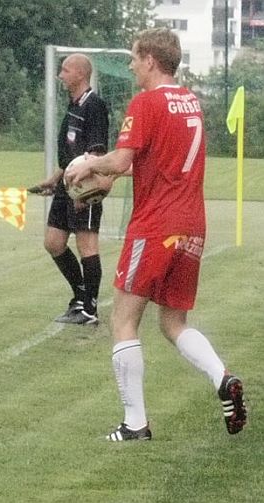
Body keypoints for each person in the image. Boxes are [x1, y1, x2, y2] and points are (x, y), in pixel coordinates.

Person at [65, 28, 247, 441]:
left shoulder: (146, 102)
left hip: (155, 225)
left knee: (123, 319)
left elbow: (121, 159)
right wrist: (111, 173)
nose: (131, 65)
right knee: (173, 321)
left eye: (134, 57)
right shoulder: (191, 101)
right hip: (192, 224)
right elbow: (155, 160)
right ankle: (223, 378)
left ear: (150, 60)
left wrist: (89, 165)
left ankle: (135, 424)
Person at [32, 53, 110, 325]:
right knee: (53, 243)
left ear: (80, 74)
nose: (60, 75)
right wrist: (55, 179)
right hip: (67, 183)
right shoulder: (74, 104)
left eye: (65, 70)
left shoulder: (94, 105)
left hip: (84, 186)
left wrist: (85, 192)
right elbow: (70, 156)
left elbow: (97, 153)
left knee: (86, 244)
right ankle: (79, 296)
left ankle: (89, 309)